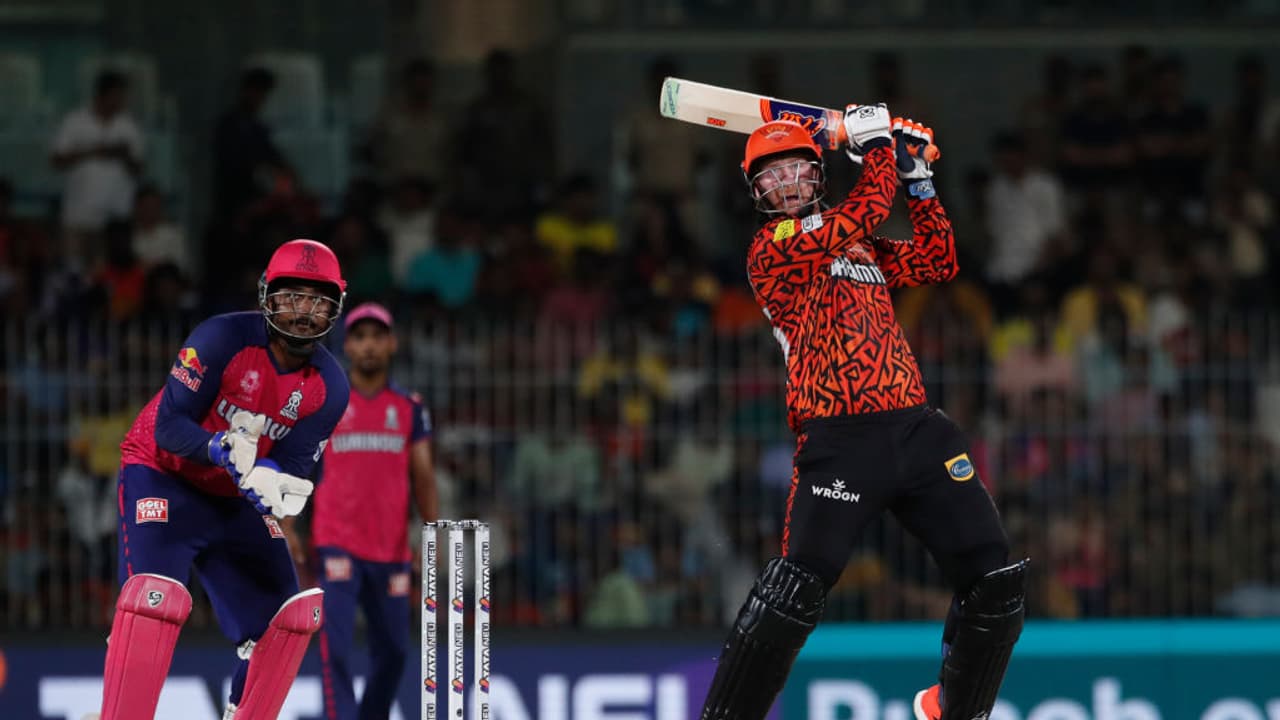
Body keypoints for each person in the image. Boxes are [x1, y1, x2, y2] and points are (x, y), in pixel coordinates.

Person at [699, 107, 1029, 720]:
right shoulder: (773, 249)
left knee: (997, 581)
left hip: (917, 430)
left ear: (817, 173)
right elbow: (868, 208)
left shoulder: (859, 244)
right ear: (756, 190)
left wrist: (918, 179)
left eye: (797, 169)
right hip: (840, 441)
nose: (787, 183)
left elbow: (937, 260)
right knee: (793, 591)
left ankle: (954, 711)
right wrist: (879, 150)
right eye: (772, 176)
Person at [101, 239, 350, 720]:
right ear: (267, 296)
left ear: (335, 306)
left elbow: (291, 465)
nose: (303, 312)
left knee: (288, 619)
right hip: (163, 474)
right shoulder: (221, 338)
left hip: (233, 494)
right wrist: (219, 447)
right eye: (292, 297)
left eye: (317, 301)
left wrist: (272, 480)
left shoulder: (330, 387)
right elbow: (168, 426)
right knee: (152, 600)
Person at [304, 302, 438, 720]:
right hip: (337, 543)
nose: (369, 346)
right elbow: (300, 464)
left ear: (392, 344)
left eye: (378, 337)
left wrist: (431, 536)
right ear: (347, 345)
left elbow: (424, 476)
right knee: (337, 649)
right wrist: (288, 525)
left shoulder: (409, 407)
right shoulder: (328, 401)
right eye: (360, 337)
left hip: (391, 549)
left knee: (395, 652)